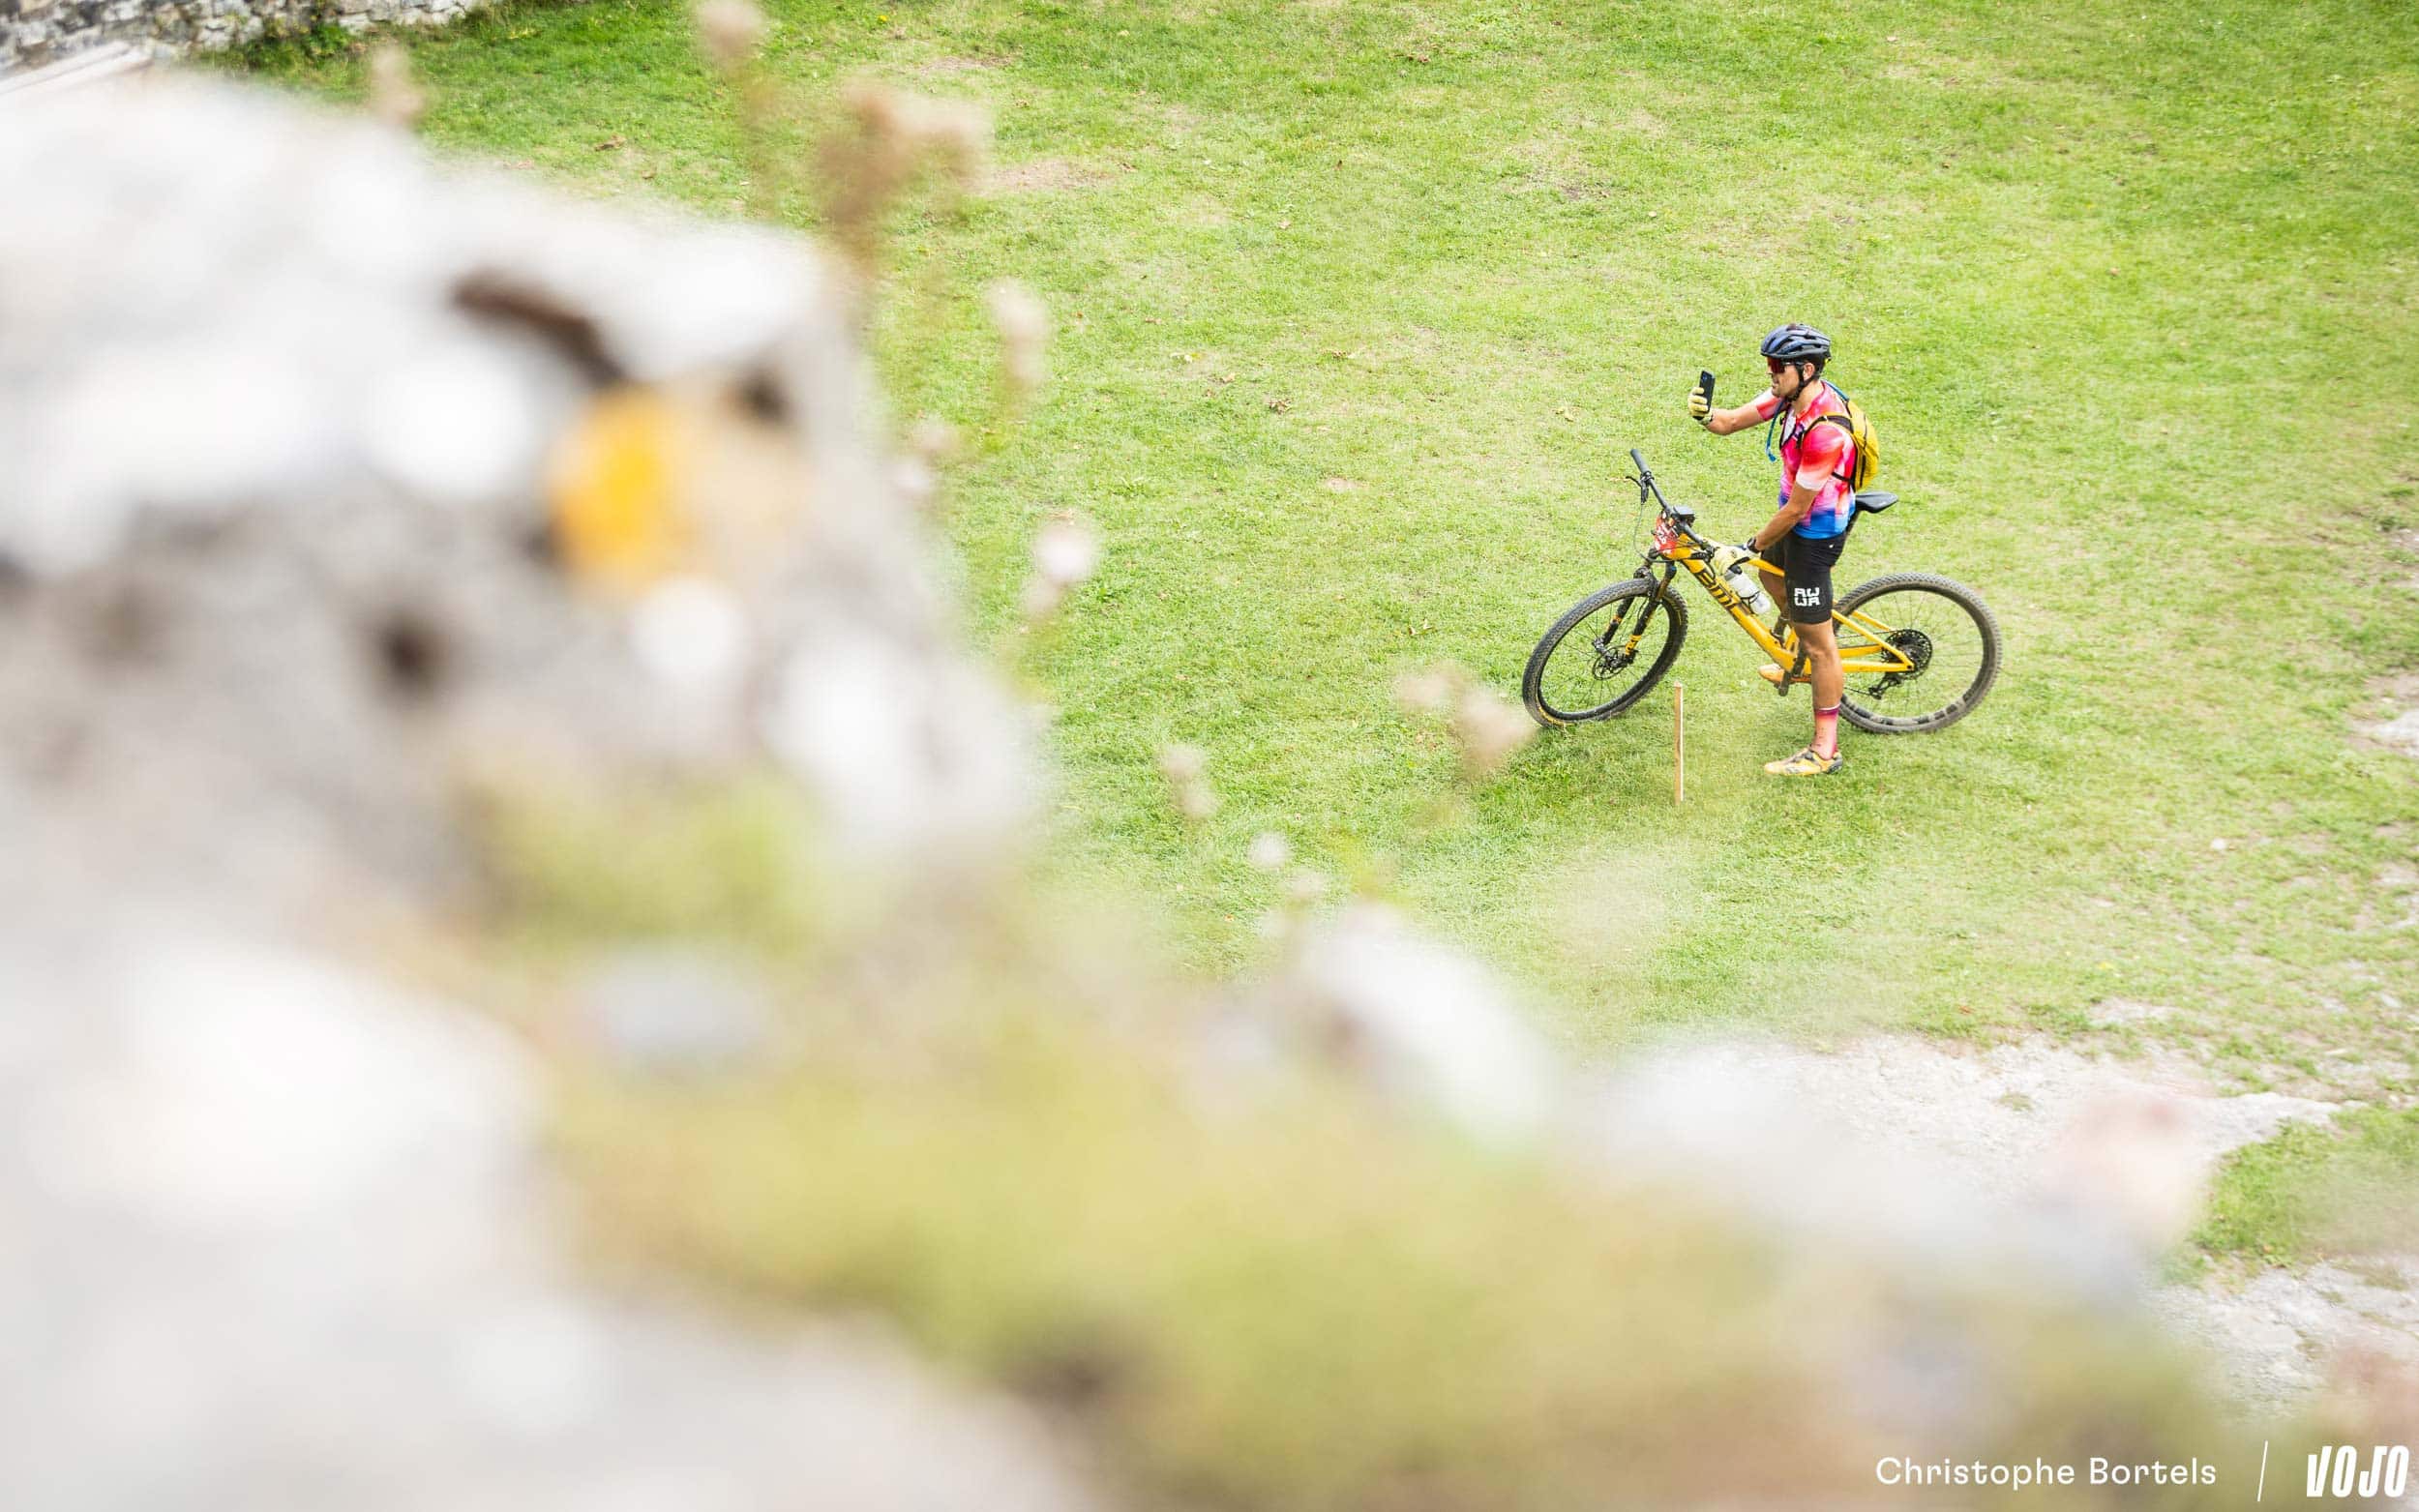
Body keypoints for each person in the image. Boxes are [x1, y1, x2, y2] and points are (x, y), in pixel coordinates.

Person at [1687, 323, 1856, 777]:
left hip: (1815, 536)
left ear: (1807, 370)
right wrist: (1706, 414)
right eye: (1769, 363)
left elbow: (1799, 510)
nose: (1770, 372)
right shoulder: (1790, 398)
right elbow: (1729, 423)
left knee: (1821, 645)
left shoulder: (1826, 430)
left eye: (1777, 365)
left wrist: (1746, 546)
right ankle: (1800, 653)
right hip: (1792, 523)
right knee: (1768, 575)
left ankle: (1825, 750)